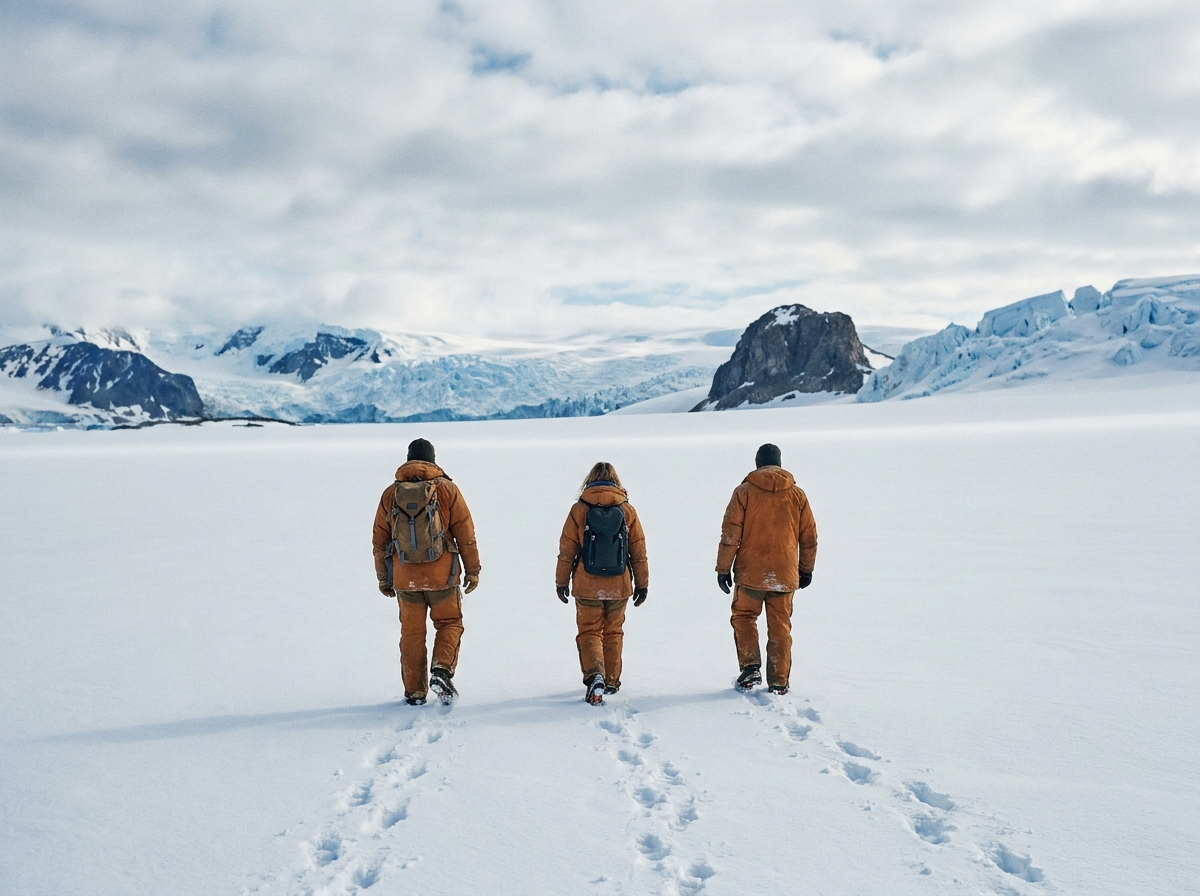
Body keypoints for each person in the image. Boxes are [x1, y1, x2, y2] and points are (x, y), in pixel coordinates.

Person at [373, 438, 480, 706]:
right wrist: (473, 570)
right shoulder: (446, 489)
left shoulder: (391, 493)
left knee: (411, 635)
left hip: (405, 577)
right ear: (432, 460)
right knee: (449, 623)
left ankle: (415, 693)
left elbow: (379, 540)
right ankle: (441, 669)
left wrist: (384, 577)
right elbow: (465, 533)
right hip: (442, 575)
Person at [715, 443, 817, 696]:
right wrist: (806, 570)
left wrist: (723, 568)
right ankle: (779, 683)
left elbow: (730, 534)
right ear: (780, 463)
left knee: (744, 617)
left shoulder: (744, 492)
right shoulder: (797, 495)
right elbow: (809, 538)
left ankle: (750, 667)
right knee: (780, 626)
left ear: (757, 463)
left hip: (750, 573)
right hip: (784, 575)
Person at [555, 462, 649, 705]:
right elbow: (638, 551)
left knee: (589, 631)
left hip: (587, 584)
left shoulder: (579, 509)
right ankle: (610, 681)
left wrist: (561, 582)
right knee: (613, 631)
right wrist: (642, 584)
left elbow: (567, 550)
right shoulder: (627, 510)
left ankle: (595, 675)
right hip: (619, 585)